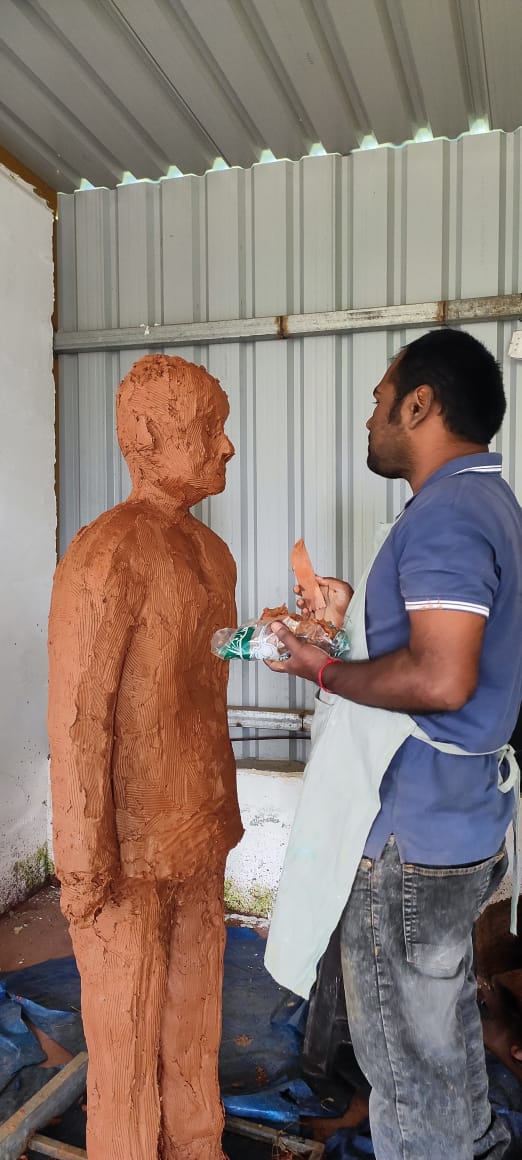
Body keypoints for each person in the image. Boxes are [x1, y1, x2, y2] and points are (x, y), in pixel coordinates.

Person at [264, 328, 522, 1160]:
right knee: (438, 1032)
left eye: (380, 402)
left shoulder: (448, 515)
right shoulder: (485, 503)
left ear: (420, 405)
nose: (370, 419)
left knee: (408, 1068)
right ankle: (469, 1140)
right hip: (457, 819)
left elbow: (441, 679)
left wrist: (322, 669)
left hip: (417, 835)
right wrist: (344, 633)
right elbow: (438, 658)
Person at [48, 355, 242, 1160]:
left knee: (195, 1017)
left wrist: (272, 637)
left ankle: (197, 1144)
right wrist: (82, 858)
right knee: (125, 1039)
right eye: (210, 428)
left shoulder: (211, 554)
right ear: (150, 437)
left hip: (201, 825)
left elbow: (208, 659)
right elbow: (78, 715)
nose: (227, 446)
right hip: (126, 849)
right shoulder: (106, 555)